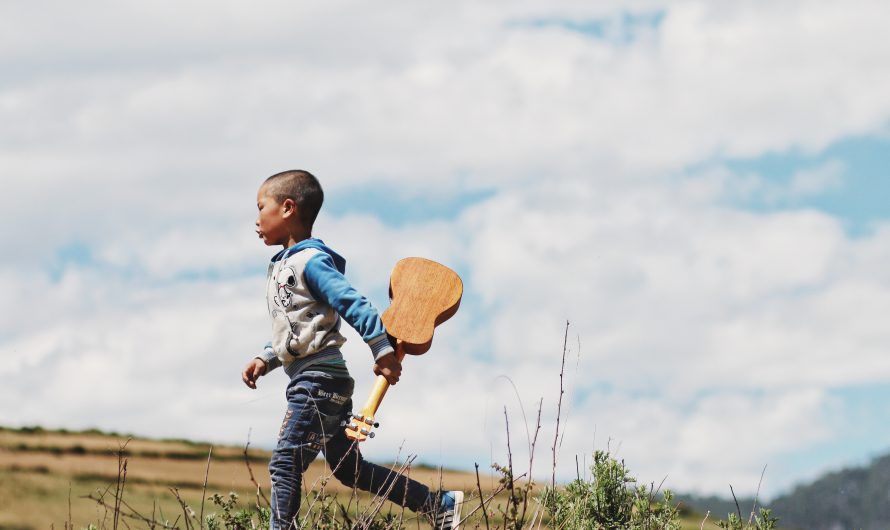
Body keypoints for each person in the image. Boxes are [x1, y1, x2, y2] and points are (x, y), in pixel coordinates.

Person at [241, 170, 463, 530]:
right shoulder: (285, 265)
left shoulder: (309, 262)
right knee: (348, 469)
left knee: (285, 461)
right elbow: (293, 326)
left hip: (316, 381)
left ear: (287, 208)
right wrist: (265, 358)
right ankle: (438, 503)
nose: (255, 218)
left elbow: (353, 302)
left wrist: (381, 350)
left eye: (260, 207)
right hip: (321, 379)